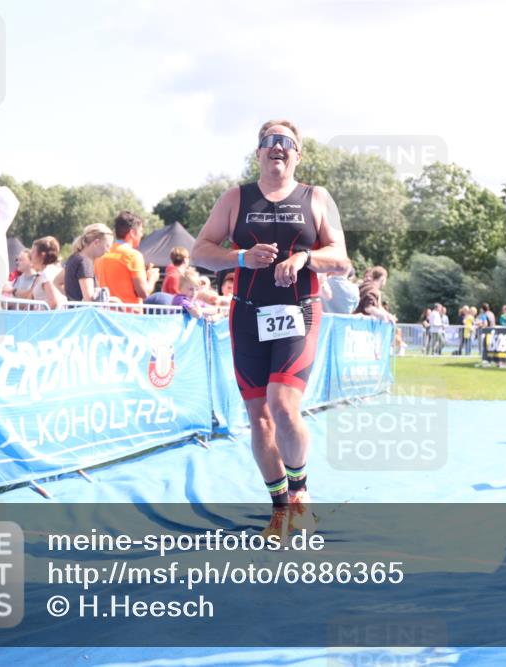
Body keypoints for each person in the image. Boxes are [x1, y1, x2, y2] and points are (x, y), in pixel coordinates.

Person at [191, 119, 349, 535]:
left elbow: (342, 258)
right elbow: (200, 252)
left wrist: (306, 259)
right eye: (269, 142)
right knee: (259, 419)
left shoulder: (317, 197)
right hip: (246, 315)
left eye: (287, 142)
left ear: (298, 154)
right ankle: (281, 510)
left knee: (283, 406)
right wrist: (241, 258)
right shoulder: (235, 198)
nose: (277, 147)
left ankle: (300, 491)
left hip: (299, 312)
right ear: (258, 153)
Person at [95, 211, 160, 305]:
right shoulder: (133, 256)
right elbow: (143, 293)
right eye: (141, 231)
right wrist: (152, 279)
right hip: (129, 315)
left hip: (106, 313)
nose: (142, 235)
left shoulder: (102, 254)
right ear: (132, 233)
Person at [63, 223, 113, 302]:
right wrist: (115, 300)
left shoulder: (74, 258)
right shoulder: (85, 263)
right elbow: (89, 300)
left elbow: (57, 282)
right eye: (107, 246)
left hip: (74, 311)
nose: (108, 251)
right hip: (84, 313)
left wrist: (73, 300)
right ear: (96, 242)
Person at [30, 236, 67, 310]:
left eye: (33, 252)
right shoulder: (56, 270)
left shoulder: (46, 274)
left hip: (47, 319)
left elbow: (53, 303)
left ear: (42, 255)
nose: (31, 254)